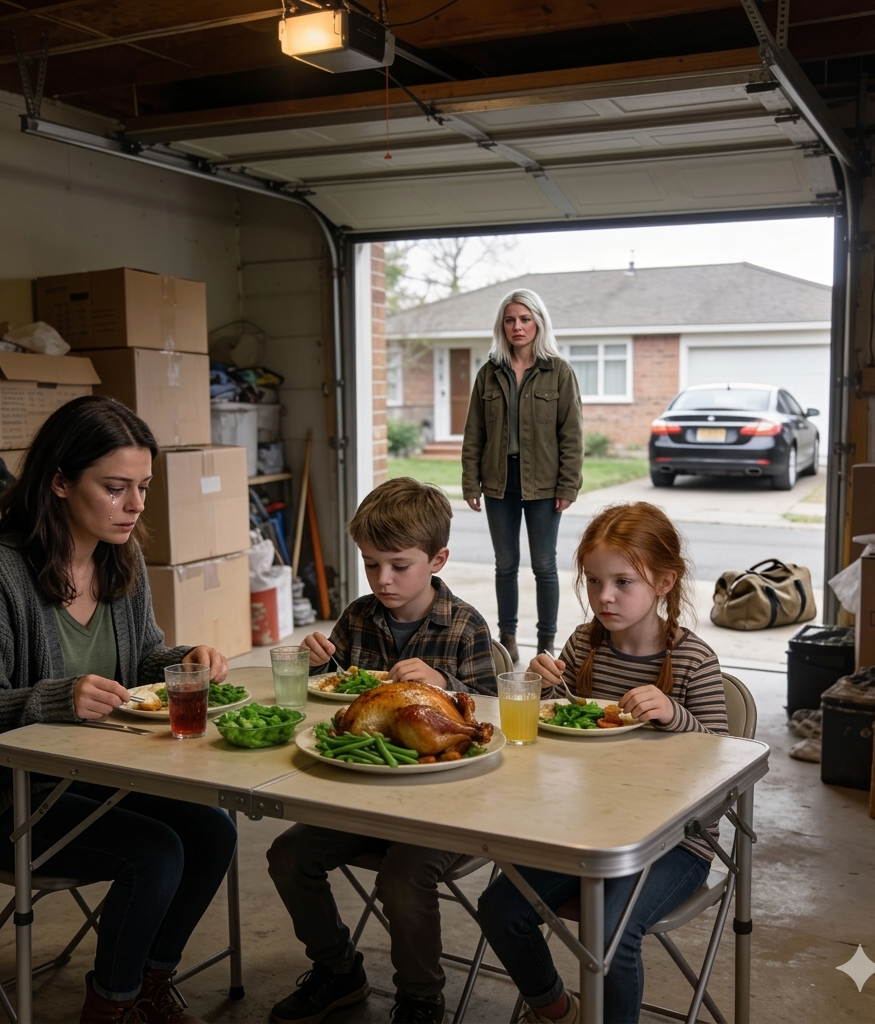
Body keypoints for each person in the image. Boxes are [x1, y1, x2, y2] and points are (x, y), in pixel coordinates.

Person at [0, 396, 237, 1024]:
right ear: (61, 482)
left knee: (215, 830)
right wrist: (56, 697)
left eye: (143, 487)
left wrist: (186, 660)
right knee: (153, 853)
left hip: (92, 776)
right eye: (116, 487)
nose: (136, 506)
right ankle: (112, 1006)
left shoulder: (116, 555)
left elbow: (145, 657)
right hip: (0, 799)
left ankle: (148, 982)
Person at [476, 501, 728, 1024]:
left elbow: (724, 769)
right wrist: (536, 686)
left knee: (610, 932)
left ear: (663, 583)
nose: (604, 597)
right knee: (501, 908)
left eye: (622, 583)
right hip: (587, 829)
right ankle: (555, 1009)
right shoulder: (585, 643)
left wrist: (676, 715)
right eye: (593, 582)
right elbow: (558, 737)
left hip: (677, 841)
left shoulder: (692, 660)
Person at [266, 477, 496, 1024]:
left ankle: (420, 997)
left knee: (401, 876)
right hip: (365, 796)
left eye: (398, 565)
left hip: (445, 806)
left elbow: (489, 716)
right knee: (288, 855)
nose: (383, 580)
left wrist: (443, 682)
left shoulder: (465, 626)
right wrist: (317, 662)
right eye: (371, 565)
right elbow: (338, 705)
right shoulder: (358, 616)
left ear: (437, 559)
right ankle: (339, 970)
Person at [461, 288, 583, 664]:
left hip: (545, 484)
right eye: (511, 320)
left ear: (538, 323)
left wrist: (568, 485)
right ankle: (507, 639)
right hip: (499, 482)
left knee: (545, 565)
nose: (518, 326)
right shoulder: (489, 373)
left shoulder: (559, 372)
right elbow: (474, 433)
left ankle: (546, 644)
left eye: (525, 319)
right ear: (503, 325)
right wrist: (470, 482)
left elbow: (572, 434)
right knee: (506, 564)